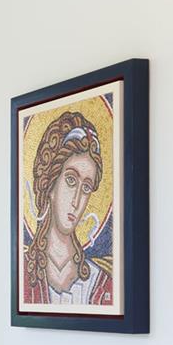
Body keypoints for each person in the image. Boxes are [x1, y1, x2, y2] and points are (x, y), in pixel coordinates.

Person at [22, 109, 114, 307]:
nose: (76, 200)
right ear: (50, 183)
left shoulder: (102, 281)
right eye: (71, 180)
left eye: (86, 187)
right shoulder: (22, 272)